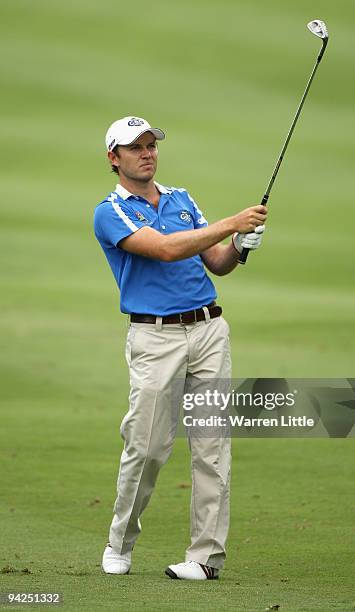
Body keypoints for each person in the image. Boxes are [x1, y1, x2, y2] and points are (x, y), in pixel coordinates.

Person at [93, 116, 267, 580]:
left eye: (151, 145)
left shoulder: (181, 199)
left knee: (212, 449)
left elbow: (217, 263)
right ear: (114, 157)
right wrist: (232, 221)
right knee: (146, 447)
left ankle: (205, 559)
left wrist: (239, 244)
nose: (147, 153)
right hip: (155, 338)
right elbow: (166, 249)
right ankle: (120, 542)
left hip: (209, 330)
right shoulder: (110, 211)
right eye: (135, 148)